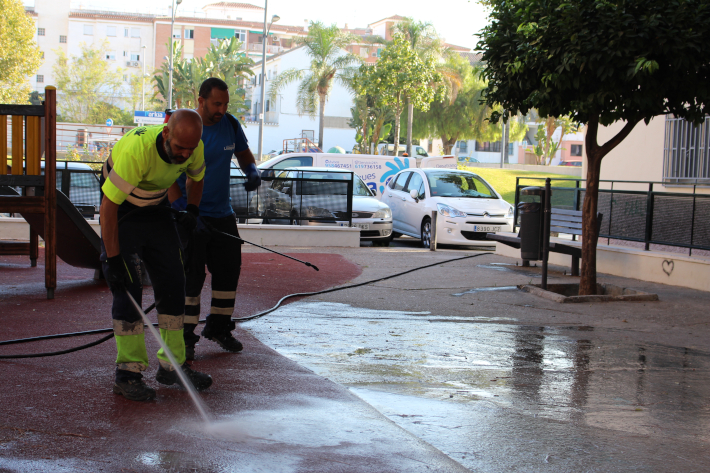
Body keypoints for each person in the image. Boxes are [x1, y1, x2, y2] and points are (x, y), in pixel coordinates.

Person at [100, 109, 213, 402]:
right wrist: (113, 261)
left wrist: (192, 210)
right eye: (179, 148)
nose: (185, 154)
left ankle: (171, 366)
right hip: (123, 210)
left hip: (157, 208)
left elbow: (196, 178)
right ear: (166, 134)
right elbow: (108, 208)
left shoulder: (194, 147)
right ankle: (127, 375)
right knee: (128, 291)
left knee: (175, 283)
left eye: (190, 148)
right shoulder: (138, 152)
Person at [168, 78, 261, 361]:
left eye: (225, 104)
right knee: (191, 279)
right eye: (216, 104)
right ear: (201, 100)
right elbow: (169, 172)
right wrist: (183, 209)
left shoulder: (230, 125)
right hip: (190, 215)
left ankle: (219, 328)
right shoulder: (186, 125)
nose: (221, 109)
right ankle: (186, 338)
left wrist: (253, 172)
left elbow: (243, 154)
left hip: (222, 215)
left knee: (228, 272)